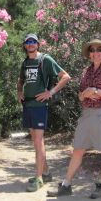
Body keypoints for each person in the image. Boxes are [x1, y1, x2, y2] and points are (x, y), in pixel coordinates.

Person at [47, 35, 101, 199]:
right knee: (78, 149)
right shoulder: (86, 72)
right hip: (87, 113)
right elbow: (80, 95)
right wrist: (84, 94)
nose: (95, 53)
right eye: (92, 50)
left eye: (99, 50)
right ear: (89, 54)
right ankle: (66, 185)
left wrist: (94, 91)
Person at [17, 33, 71, 192]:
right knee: (35, 140)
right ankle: (45, 173)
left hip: (40, 106)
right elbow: (20, 81)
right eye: (28, 42)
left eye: (33, 41)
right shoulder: (25, 63)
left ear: (38, 44)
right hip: (28, 105)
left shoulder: (45, 60)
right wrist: (19, 92)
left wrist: (50, 92)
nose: (31, 44)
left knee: (39, 141)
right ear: (25, 45)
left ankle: (39, 178)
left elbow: (66, 77)